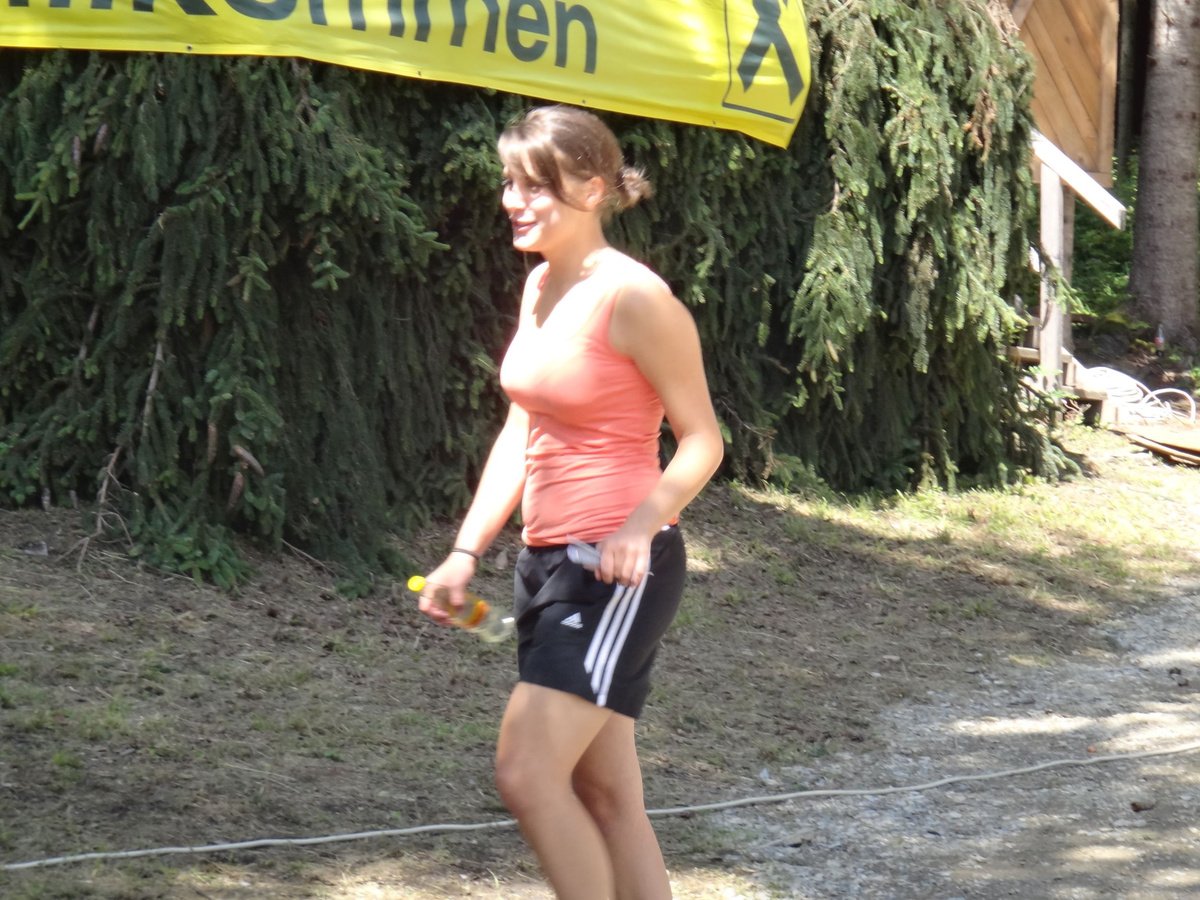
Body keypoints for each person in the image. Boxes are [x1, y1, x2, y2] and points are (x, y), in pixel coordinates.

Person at [416, 104, 724, 900]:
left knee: (526, 772)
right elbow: (525, 426)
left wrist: (640, 525)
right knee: (606, 794)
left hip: (614, 572)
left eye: (535, 186)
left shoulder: (637, 299)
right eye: (508, 183)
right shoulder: (541, 285)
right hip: (546, 564)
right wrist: (465, 552)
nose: (513, 201)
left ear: (591, 190)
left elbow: (703, 440)